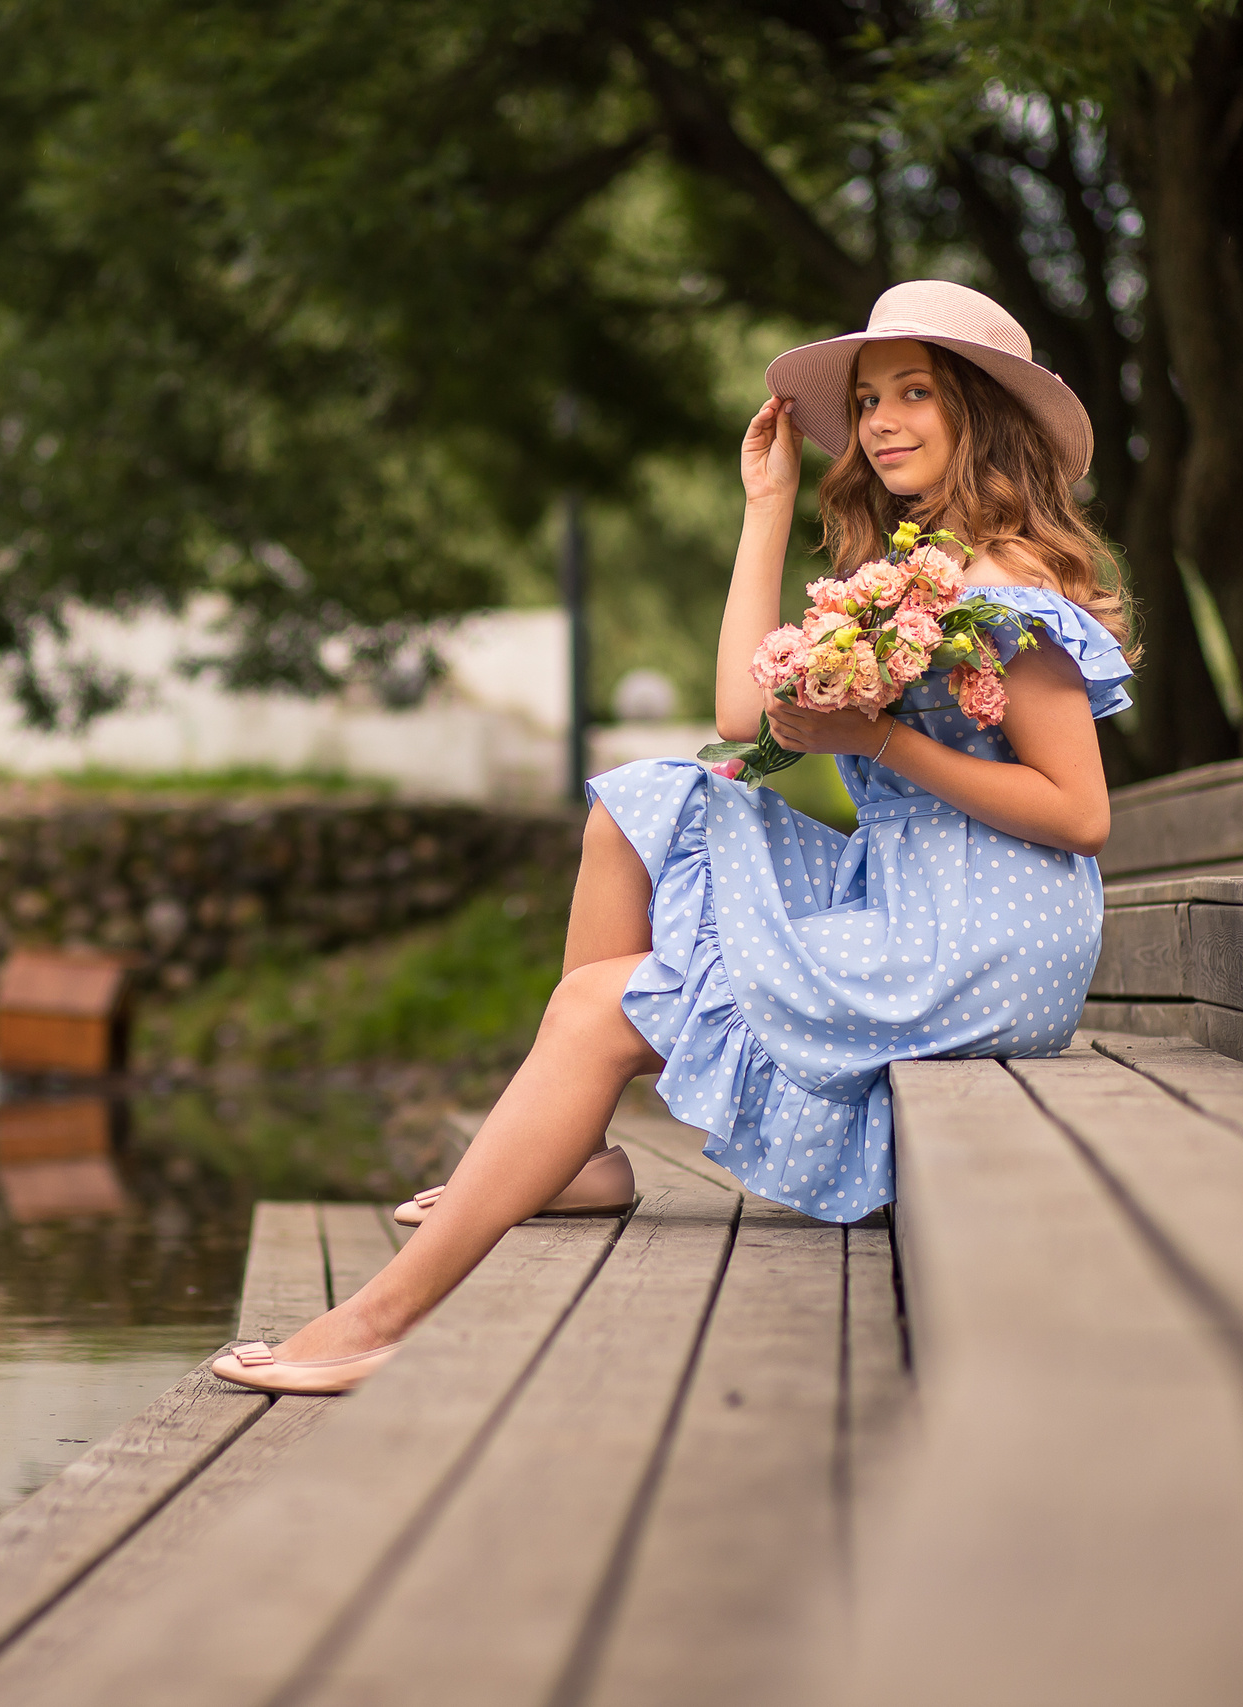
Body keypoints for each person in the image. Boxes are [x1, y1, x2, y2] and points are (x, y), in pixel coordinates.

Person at [213, 281, 1136, 1397]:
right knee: (646, 799)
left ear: (982, 414)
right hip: (908, 889)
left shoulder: (1006, 590)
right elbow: (744, 716)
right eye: (866, 400)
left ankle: (380, 1318)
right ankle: (579, 1153)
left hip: (986, 935)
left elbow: (1080, 815)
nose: (881, 421)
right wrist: (765, 504)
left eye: (914, 393)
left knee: (597, 1009)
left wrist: (880, 742)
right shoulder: (910, 578)